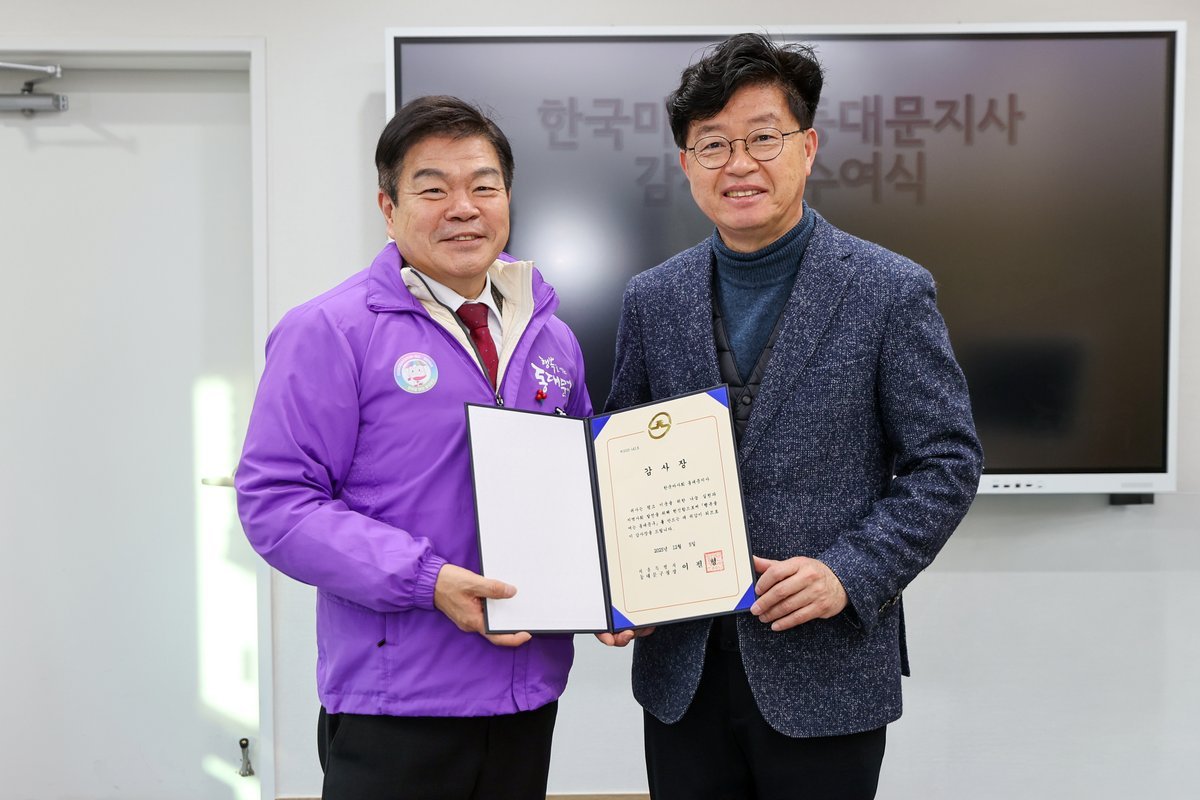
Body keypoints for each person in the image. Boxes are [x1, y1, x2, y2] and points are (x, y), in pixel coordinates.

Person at [600, 33, 984, 799]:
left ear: (807, 148)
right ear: (686, 164)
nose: (738, 163)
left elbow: (947, 461)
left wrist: (849, 571)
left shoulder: (889, 290)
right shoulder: (652, 299)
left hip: (825, 670)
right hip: (682, 674)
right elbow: (620, 455)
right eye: (713, 144)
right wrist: (615, 580)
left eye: (763, 138)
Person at [235, 95, 591, 800]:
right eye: (433, 189)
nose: (463, 208)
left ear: (507, 199)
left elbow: (582, 487)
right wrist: (428, 581)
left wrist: (616, 587)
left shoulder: (551, 336)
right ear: (388, 207)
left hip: (526, 695)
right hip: (396, 707)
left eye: (484, 186)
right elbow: (276, 505)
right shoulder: (330, 331)